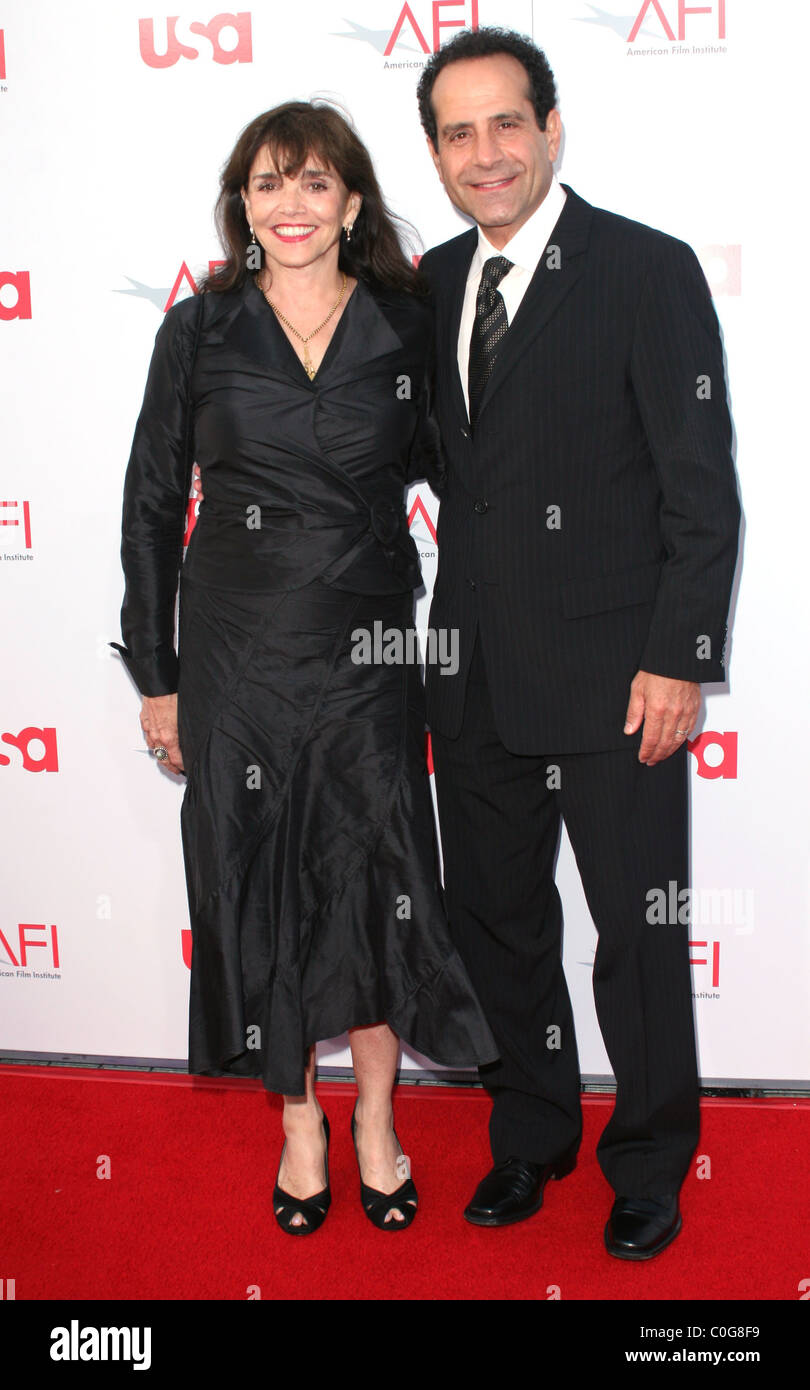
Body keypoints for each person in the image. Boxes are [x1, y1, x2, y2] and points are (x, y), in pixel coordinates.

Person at [111, 100, 497, 1236]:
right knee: (264, 885)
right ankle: (298, 1124)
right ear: (243, 202)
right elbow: (147, 502)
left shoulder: (407, 323)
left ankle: (377, 1118)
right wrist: (158, 674)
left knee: (380, 883)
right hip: (234, 649)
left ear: (352, 202)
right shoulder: (200, 327)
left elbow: (461, 472)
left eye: (316, 183)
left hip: (370, 648)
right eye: (270, 183)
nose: (291, 204)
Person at [415, 27, 740, 1257]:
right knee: (498, 921)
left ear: (553, 129)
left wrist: (680, 656)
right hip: (476, 674)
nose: (486, 153)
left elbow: (700, 488)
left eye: (507, 123)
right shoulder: (433, 280)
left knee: (639, 935)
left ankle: (651, 1156)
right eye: (459, 132)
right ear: (437, 155)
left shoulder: (644, 270)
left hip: (620, 681)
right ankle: (533, 1130)